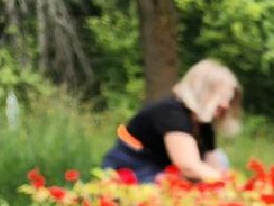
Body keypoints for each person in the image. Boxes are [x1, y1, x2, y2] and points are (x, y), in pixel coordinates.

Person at [100, 60, 241, 184]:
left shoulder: (202, 122)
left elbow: (213, 159)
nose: (225, 105)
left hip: (160, 168)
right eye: (222, 97)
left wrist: (219, 180)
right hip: (133, 168)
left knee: (221, 158)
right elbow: (188, 166)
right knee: (176, 182)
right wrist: (225, 182)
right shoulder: (171, 113)